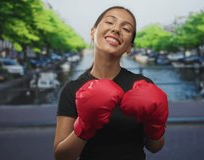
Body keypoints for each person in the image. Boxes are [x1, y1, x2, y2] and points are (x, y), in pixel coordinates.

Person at [54, 6, 169, 160]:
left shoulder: (143, 85)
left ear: (129, 47)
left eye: (126, 29)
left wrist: (156, 124)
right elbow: (62, 156)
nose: (116, 29)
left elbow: (155, 147)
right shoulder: (72, 89)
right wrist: (85, 125)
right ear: (93, 32)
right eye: (109, 22)